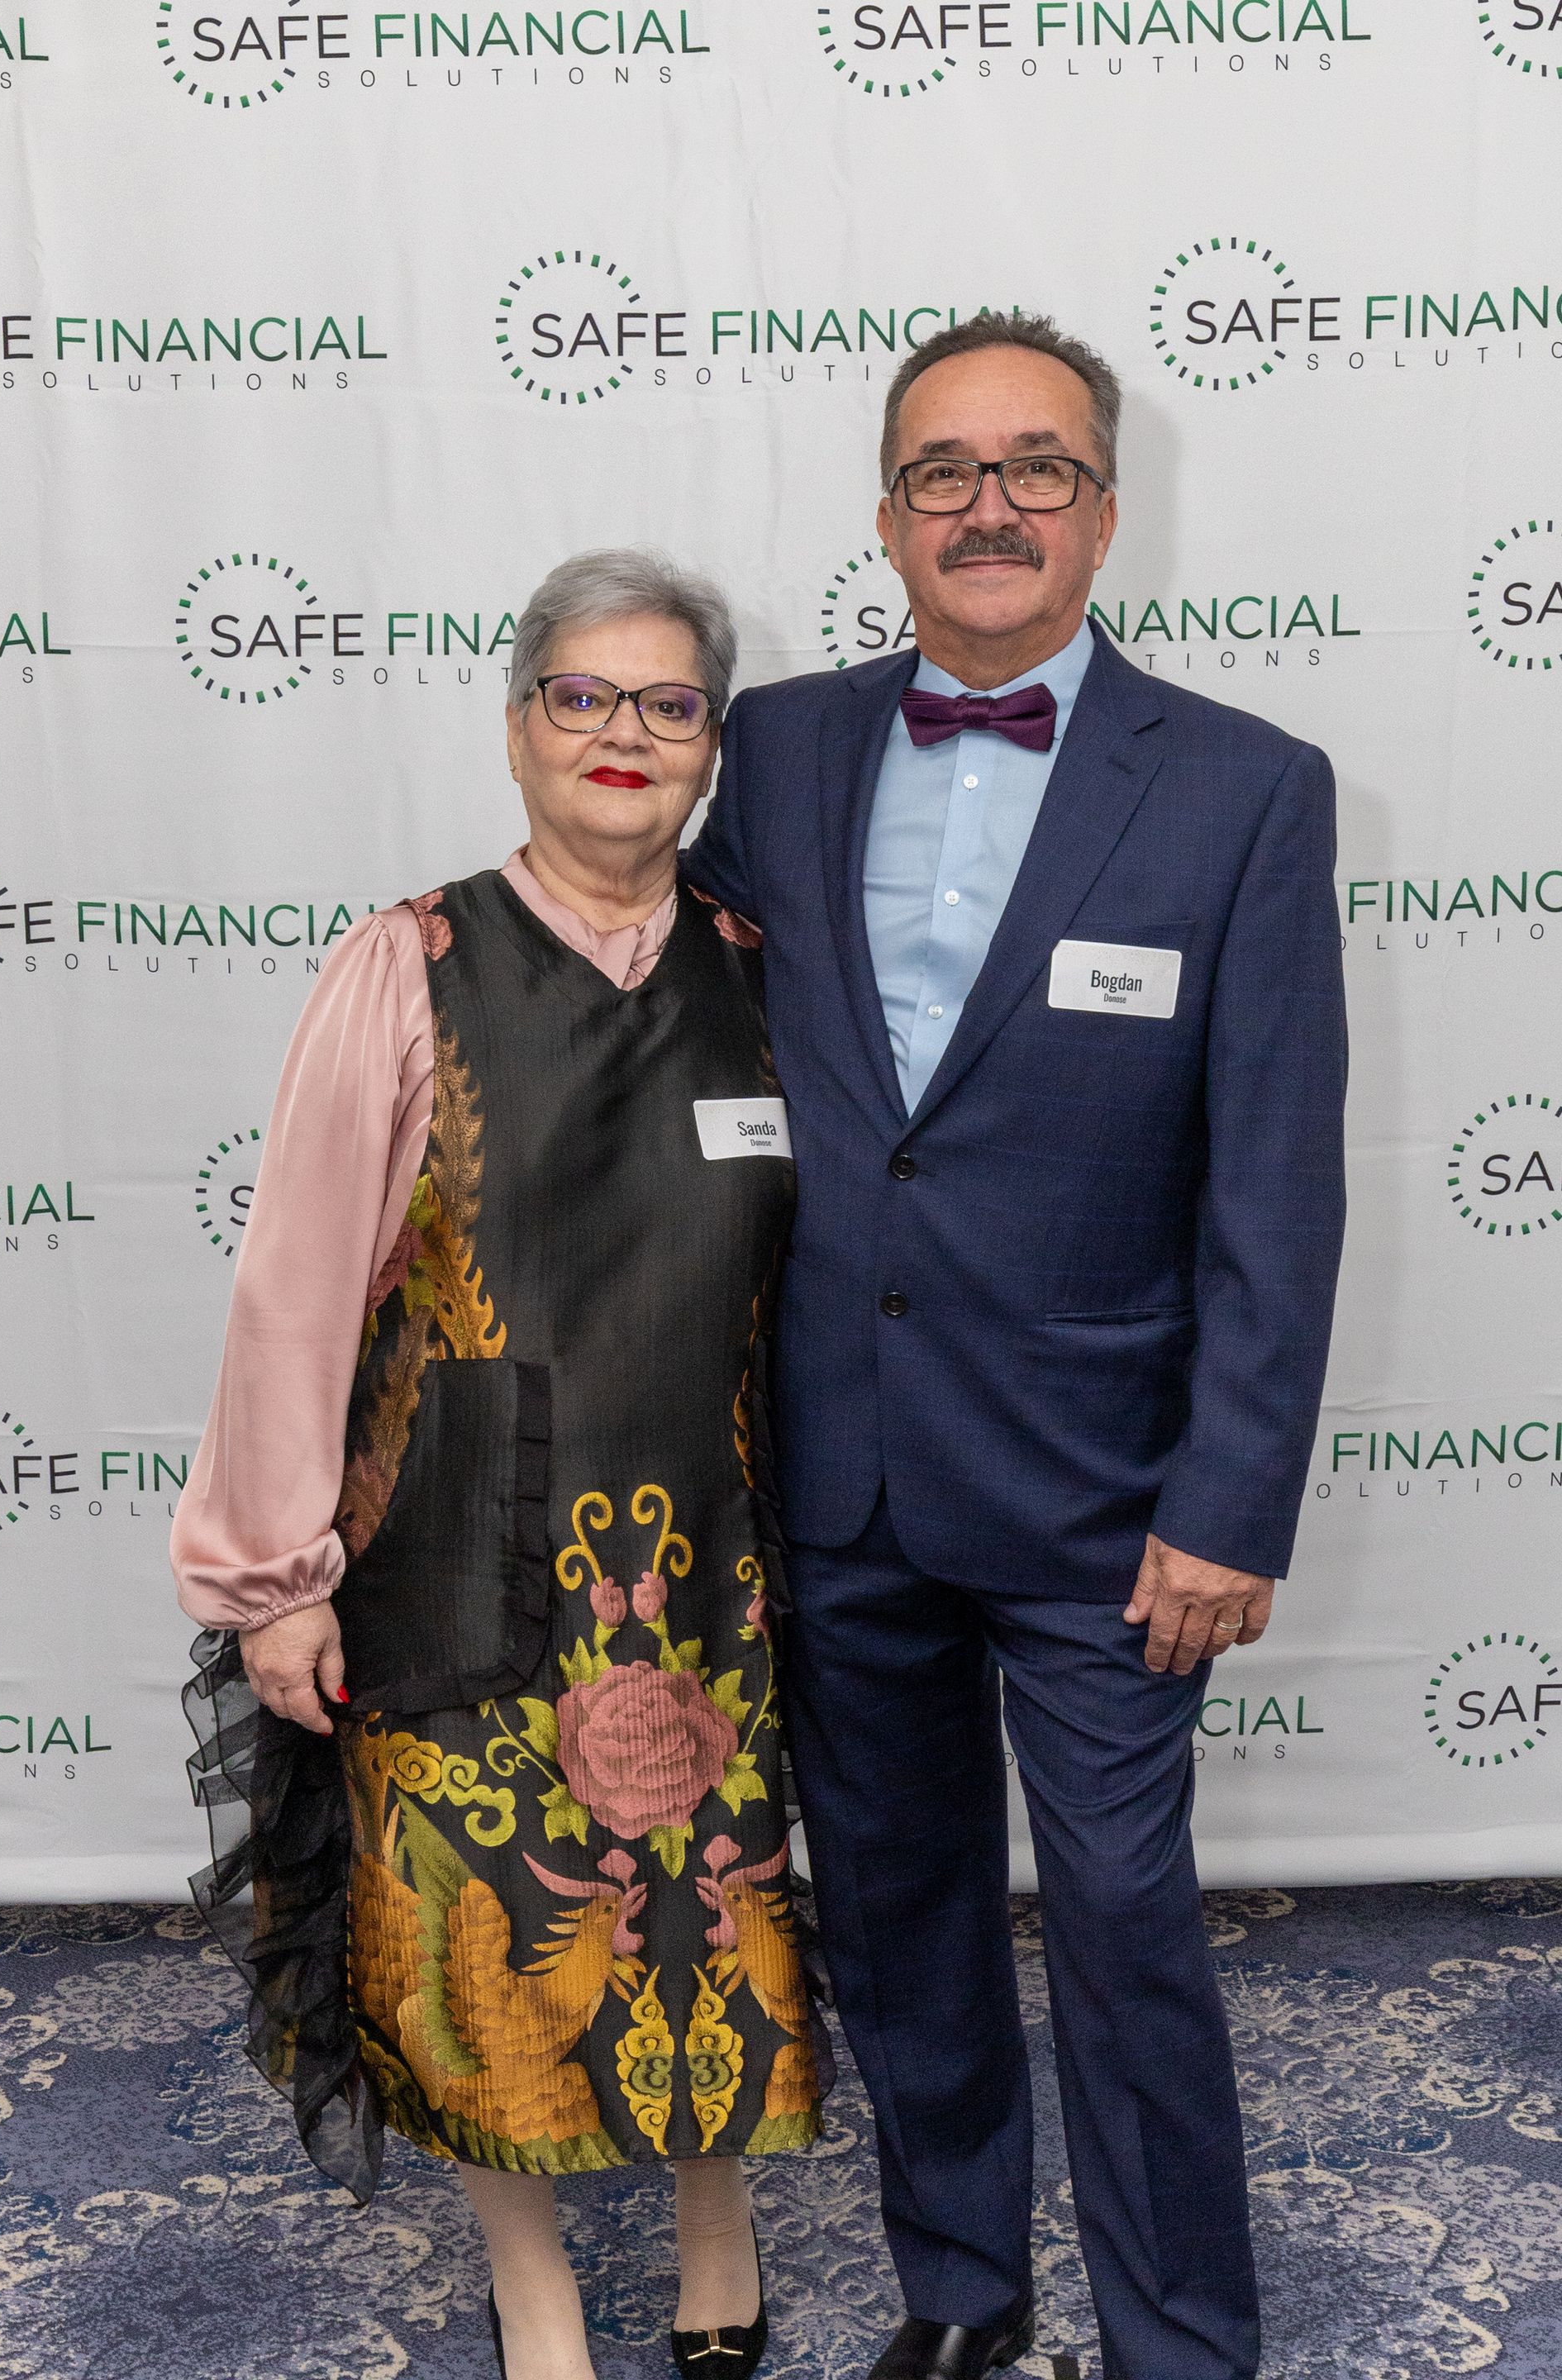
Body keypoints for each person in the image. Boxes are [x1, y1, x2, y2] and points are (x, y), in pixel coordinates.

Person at [683, 312, 1348, 2380]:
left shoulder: (1248, 790)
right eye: (945, 471)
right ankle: (962, 2295)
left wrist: (1227, 1504)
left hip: (1106, 1502)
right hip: (837, 1475)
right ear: (885, 517)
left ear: (1106, 511)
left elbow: (1277, 1185)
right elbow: (657, 1014)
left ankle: (1179, 2346)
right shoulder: (770, 751)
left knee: (1134, 1938)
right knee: (902, 1928)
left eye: (1036, 466)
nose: (991, 506)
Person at [172, 550, 825, 2380]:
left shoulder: (765, 972)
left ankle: (719, 2219)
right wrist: (274, 1573)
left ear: (710, 745)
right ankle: (533, 2288)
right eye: (584, 698)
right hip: (458, 1535)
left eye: (669, 704)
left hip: (712, 1543)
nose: (625, 735)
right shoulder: (413, 962)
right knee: (480, 1940)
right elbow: (294, 1289)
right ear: (519, 722)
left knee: (714, 1912)